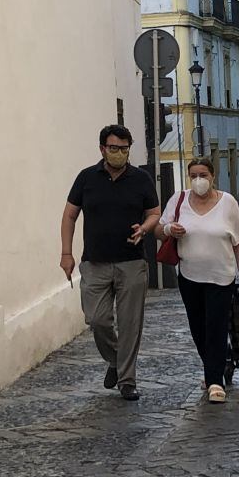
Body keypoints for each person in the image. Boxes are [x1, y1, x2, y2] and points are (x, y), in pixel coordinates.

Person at [61, 125, 160, 400]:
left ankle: (127, 380)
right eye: (114, 148)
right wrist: (66, 253)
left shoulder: (141, 179)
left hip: (131, 263)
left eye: (124, 149)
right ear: (102, 148)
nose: (119, 154)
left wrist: (145, 227)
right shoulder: (86, 178)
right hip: (95, 262)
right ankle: (115, 360)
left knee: (130, 324)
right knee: (97, 319)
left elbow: (154, 212)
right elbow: (70, 215)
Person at [155, 159, 239, 404]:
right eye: (194, 175)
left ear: (212, 176)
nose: (199, 179)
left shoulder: (227, 203)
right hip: (189, 276)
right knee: (198, 328)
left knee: (216, 327)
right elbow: (158, 229)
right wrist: (169, 231)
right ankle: (218, 363)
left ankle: (215, 381)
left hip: (221, 277)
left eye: (203, 174)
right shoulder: (178, 200)